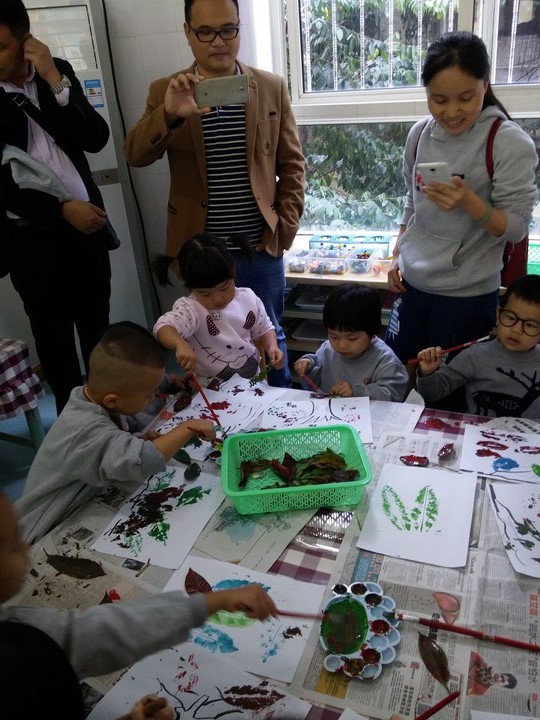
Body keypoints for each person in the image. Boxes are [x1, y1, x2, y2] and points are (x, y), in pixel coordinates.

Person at [123, 0, 305, 389]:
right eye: (205, 31)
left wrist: (284, 228)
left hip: (260, 247)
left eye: (228, 29)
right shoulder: (166, 90)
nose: (218, 41)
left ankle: (281, 412)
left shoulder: (270, 86)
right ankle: (227, 415)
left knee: (270, 333)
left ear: (239, 28)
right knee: (208, 341)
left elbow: (292, 164)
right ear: (187, 33)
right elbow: (135, 155)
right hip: (200, 254)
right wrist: (170, 114)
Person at [0, 491, 278, 717]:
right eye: (13, 545)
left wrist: (212, 602)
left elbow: (102, 633)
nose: (27, 547)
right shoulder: (20, 655)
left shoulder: (24, 631)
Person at [384, 30, 538, 408]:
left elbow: (516, 227)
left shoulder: (508, 142)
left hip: (466, 297)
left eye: (466, 98)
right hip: (412, 288)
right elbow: (412, 202)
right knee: (395, 378)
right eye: (439, 99)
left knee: (449, 398)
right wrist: (398, 254)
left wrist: (471, 203)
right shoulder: (420, 134)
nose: (451, 112)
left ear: (486, 84)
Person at [0, 0, 120, 414]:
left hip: (87, 234)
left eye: (0, 46)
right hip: (31, 242)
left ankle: (109, 416)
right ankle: (74, 425)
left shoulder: (59, 71)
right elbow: (3, 187)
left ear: (26, 40)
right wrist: (60, 210)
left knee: (97, 330)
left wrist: (53, 78)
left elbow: (95, 138)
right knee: (53, 340)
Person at [14, 321, 217, 544]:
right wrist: (187, 428)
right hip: (40, 530)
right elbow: (144, 460)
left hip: (82, 499)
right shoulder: (85, 430)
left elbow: (111, 436)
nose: (154, 397)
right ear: (113, 400)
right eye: (149, 394)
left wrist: (165, 384)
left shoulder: (91, 397)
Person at [153, 232, 285, 383]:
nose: (218, 299)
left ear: (233, 271)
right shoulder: (191, 309)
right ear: (191, 287)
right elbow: (162, 327)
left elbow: (264, 329)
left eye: (224, 288)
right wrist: (179, 344)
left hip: (251, 383)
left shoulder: (247, 298)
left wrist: (272, 346)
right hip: (210, 390)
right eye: (205, 294)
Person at [416, 274, 540, 418]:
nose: (516, 330)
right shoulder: (475, 355)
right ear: (498, 313)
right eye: (511, 317)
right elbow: (432, 394)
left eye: (530, 325)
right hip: (476, 430)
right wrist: (427, 373)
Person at [293, 284, 409, 400]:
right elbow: (313, 385)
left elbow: (393, 394)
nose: (341, 345)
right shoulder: (327, 350)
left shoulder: (385, 360)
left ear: (372, 332)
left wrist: (356, 392)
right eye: (334, 336)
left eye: (352, 338)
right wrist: (308, 366)